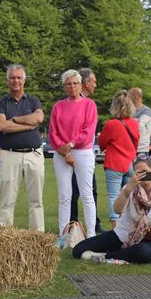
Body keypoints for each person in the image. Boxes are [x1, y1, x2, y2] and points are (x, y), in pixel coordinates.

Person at [73, 155, 151, 264]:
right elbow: (117, 210)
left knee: (143, 252)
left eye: (145, 171)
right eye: (139, 173)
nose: (143, 175)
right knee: (78, 250)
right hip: (122, 236)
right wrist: (128, 189)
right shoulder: (129, 189)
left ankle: (106, 256)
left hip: (150, 242)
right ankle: (120, 254)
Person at [0, 64, 45, 231]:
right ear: (8, 80)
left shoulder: (33, 100)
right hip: (9, 155)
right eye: (12, 78)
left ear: (24, 80)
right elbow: (2, 126)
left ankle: (37, 235)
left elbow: (38, 118)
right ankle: (5, 236)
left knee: (36, 200)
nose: (16, 81)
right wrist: (28, 124)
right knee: (7, 200)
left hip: (33, 155)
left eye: (19, 77)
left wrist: (14, 120)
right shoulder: (1, 103)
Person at [50, 69, 98, 238]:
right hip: (61, 154)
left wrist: (70, 144)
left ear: (80, 84)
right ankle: (63, 236)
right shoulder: (58, 106)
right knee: (64, 196)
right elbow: (53, 132)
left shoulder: (89, 105)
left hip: (82, 152)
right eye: (68, 84)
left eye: (75, 83)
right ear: (64, 86)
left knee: (87, 195)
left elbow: (88, 131)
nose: (72, 86)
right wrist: (65, 152)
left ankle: (91, 235)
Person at [98, 91, 139, 228]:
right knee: (129, 195)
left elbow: (102, 143)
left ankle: (115, 226)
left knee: (114, 195)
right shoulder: (134, 123)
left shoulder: (111, 124)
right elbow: (136, 143)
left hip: (115, 164)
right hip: (129, 163)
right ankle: (128, 224)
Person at [70, 67, 102, 234]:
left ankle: (93, 225)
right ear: (86, 83)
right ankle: (72, 225)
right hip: (74, 152)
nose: (95, 85)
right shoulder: (71, 103)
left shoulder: (89, 104)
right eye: (93, 81)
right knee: (73, 191)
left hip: (86, 152)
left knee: (90, 191)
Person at [128, 87, 151, 156]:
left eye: (128, 96)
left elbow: (139, 127)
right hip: (128, 148)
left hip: (141, 150)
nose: (127, 99)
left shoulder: (146, 111)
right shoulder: (128, 111)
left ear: (134, 97)